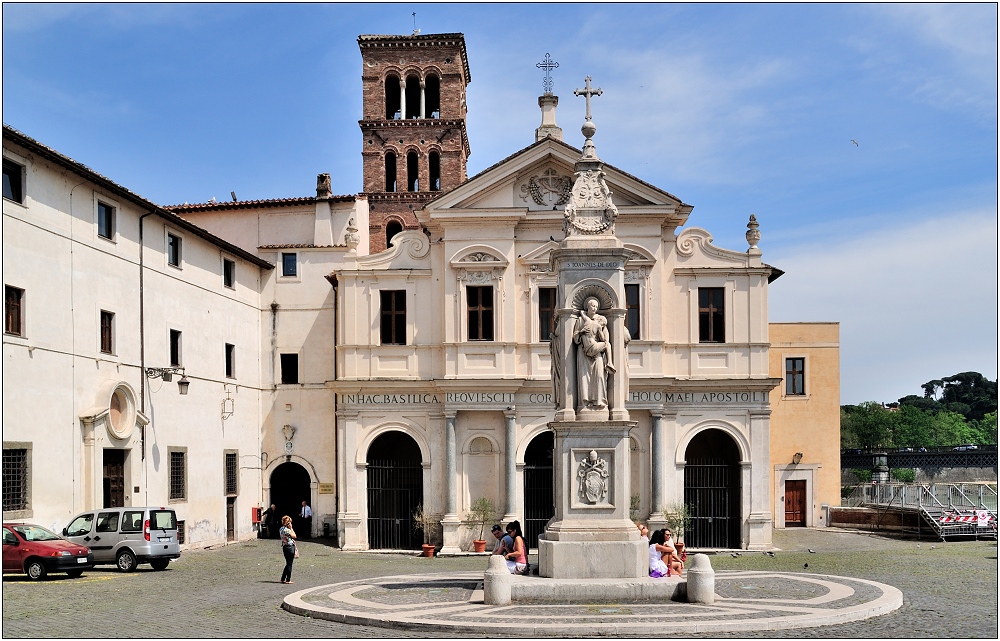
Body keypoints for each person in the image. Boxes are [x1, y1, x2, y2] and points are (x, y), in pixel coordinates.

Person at [573, 298, 615, 410]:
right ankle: (585, 402)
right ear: (588, 306)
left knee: (600, 375)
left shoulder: (600, 320)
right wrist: (581, 333)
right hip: (583, 353)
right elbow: (575, 339)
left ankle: (599, 400)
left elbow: (605, 339)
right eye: (593, 306)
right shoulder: (580, 321)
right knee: (584, 378)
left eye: (596, 306)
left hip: (597, 353)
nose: (595, 308)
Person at [279, 515, 297, 584]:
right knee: (290, 564)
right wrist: (291, 528)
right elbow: (294, 536)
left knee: (287, 563)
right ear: (288, 523)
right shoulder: (287, 530)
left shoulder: (281, 529)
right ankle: (288, 579)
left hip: (284, 547)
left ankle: (283, 578)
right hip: (290, 547)